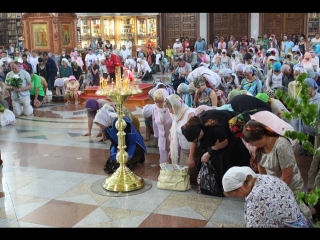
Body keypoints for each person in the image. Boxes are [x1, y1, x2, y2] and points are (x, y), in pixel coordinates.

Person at [241, 119, 319, 220]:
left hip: (289, 184)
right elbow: (262, 171)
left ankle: (315, 209)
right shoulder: (260, 147)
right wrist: (265, 188)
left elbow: (287, 176)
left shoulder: (281, 145)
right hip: (274, 183)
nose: (252, 146)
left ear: (261, 137)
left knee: (295, 215)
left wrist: (274, 192)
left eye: (252, 143)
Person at [181, 109, 251, 195]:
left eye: (196, 140)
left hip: (234, 137)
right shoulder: (199, 123)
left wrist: (211, 151)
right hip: (223, 139)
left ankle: (232, 188)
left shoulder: (216, 127)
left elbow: (224, 143)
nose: (196, 142)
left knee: (228, 160)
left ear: (199, 133)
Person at [222, 166, 314, 228]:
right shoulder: (263, 178)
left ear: (241, 187)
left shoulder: (255, 198)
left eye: (235, 195)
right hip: (303, 222)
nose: (237, 197)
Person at [164, 94, 202, 184]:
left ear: (176, 105)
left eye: (171, 108)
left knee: (192, 179)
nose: (170, 111)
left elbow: (194, 137)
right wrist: (171, 150)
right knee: (184, 178)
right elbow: (175, 135)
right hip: (183, 151)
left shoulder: (190, 114)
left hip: (193, 151)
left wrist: (191, 157)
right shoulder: (176, 115)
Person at [95, 109, 146, 174]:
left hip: (133, 142)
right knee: (113, 159)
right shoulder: (107, 124)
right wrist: (117, 149)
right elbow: (112, 139)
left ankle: (138, 158)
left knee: (126, 162)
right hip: (120, 142)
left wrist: (122, 150)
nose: (101, 127)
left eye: (101, 125)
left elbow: (126, 137)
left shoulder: (120, 122)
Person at [152, 89, 173, 163]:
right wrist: (157, 136)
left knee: (174, 162)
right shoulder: (154, 109)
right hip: (162, 141)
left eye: (161, 101)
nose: (158, 104)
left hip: (173, 141)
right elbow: (154, 123)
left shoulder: (171, 108)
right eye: (156, 101)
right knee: (164, 163)